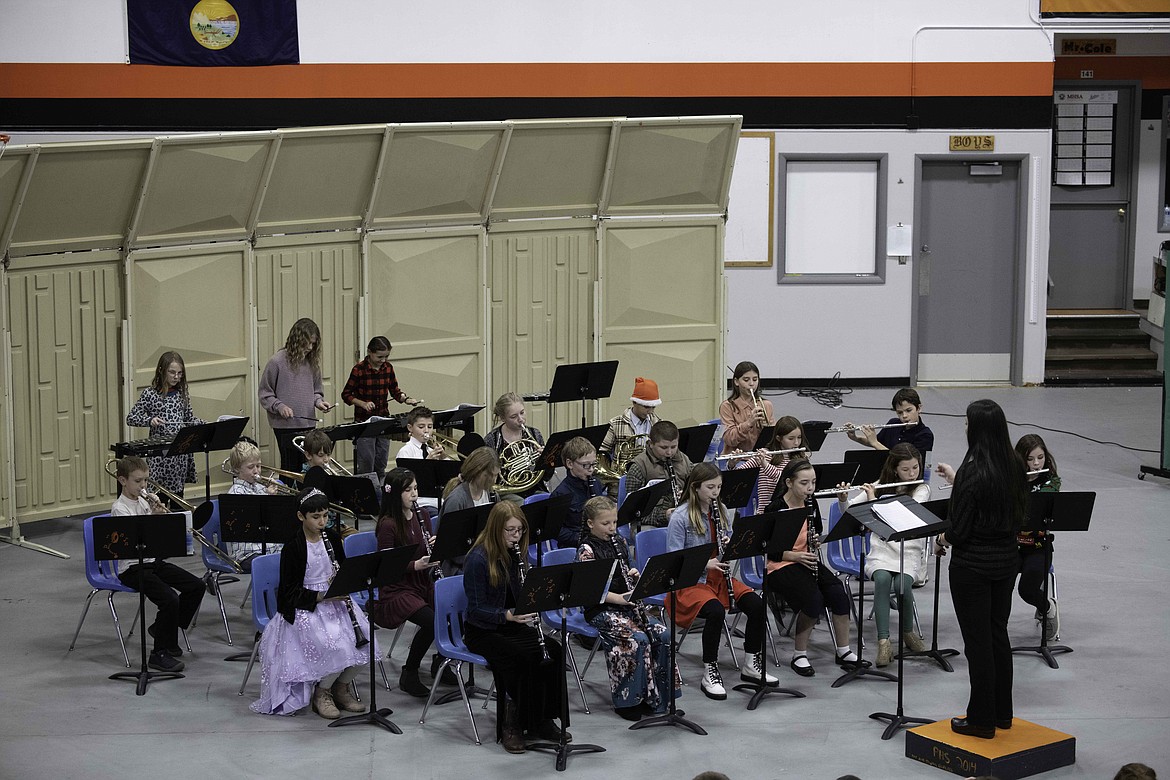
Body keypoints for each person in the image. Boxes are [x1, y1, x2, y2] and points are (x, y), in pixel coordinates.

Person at [934, 399, 1027, 739]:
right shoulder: (1013, 464)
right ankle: (1003, 713)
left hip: (972, 568)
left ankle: (981, 719)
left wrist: (942, 537)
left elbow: (959, 531)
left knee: (978, 645)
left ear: (977, 429)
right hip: (1006, 563)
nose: (964, 427)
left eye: (966, 422)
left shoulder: (973, 471)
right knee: (998, 635)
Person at [251, 487, 373, 720]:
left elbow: (345, 571)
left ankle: (341, 687)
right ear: (301, 517)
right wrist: (322, 596)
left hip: (335, 604)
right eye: (316, 517)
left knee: (366, 644)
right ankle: (322, 692)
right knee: (336, 647)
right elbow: (287, 594)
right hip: (306, 609)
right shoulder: (293, 547)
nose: (322, 522)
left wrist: (341, 583)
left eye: (326, 515)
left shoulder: (334, 539)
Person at [463, 501, 567, 754]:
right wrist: (507, 615)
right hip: (483, 630)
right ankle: (512, 725)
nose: (516, 536)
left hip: (512, 625)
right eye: (510, 530)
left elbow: (522, 595)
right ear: (496, 529)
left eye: (519, 530)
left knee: (553, 651)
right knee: (519, 659)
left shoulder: (515, 555)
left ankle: (542, 719)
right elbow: (476, 608)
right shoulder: (478, 559)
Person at [666, 462, 777, 699]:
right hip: (691, 582)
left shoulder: (722, 509)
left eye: (718, 487)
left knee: (757, 605)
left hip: (719, 577)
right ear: (695, 488)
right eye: (710, 487)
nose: (716, 492)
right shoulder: (680, 517)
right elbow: (674, 560)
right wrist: (705, 563)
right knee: (716, 611)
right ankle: (710, 671)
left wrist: (729, 546)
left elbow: (725, 546)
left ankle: (751, 662)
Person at [577, 496, 677, 720]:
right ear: (591, 523)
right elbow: (590, 592)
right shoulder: (586, 550)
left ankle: (658, 697)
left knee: (663, 634)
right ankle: (628, 702)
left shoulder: (620, 541)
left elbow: (631, 568)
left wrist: (634, 575)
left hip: (626, 604)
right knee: (636, 640)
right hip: (601, 609)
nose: (612, 528)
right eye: (605, 524)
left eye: (614, 522)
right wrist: (621, 599)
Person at [837, 443, 930, 667]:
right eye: (906, 470)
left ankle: (907, 633)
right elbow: (849, 513)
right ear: (895, 469)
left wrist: (874, 500)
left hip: (908, 549)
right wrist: (843, 498)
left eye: (915, 468)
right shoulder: (880, 485)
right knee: (882, 579)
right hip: (881, 549)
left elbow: (903, 515)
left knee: (902, 586)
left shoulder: (921, 489)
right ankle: (884, 642)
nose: (911, 474)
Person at [764, 459, 859, 677]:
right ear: (789, 482)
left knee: (838, 593)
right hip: (779, 566)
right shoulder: (776, 508)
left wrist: (814, 541)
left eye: (813, 483)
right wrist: (795, 556)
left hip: (805, 560)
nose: (810, 488)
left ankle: (843, 650)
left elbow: (816, 529)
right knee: (813, 600)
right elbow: (768, 549)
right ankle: (799, 654)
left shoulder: (810, 502)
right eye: (804, 483)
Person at [110, 456, 205, 674]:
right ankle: (158, 653)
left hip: (152, 562)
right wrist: (153, 519)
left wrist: (162, 520)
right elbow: (132, 544)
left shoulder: (144, 501)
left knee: (196, 586)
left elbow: (158, 544)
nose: (143, 486)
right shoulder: (120, 509)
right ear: (123, 480)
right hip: (132, 568)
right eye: (138, 481)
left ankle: (164, 629)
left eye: (145, 481)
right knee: (170, 599)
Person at [369, 468, 444, 697]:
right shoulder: (388, 524)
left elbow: (426, 552)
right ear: (395, 494)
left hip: (421, 582)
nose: (414, 494)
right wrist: (415, 565)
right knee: (433, 621)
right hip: (396, 588)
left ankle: (440, 662)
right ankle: (409, 672)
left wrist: (435, 547)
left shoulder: (422, 515)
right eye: (408, 490)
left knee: (449, 612)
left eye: (415, 489)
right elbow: (386, 565)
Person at [125, 351, 204, 499]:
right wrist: (150, 420)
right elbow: (131, 418)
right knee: (157, 497)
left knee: (177, 498)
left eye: (180, 373)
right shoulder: (150, 394)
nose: (176, 377)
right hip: (159, 456)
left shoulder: (182, 393)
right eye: (172, 372)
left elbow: (189, 419)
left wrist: (206, 425)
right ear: (162, 370)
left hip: (179, 455)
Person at [258, 318, 333, 476]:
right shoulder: (277, 361)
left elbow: (316, 391)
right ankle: (290, 498)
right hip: (285, 426)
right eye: (307, 343)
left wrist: (319, 402)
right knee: (290, 468)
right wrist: (280, 406)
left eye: (313, 344)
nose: (310, 348)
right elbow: (265, 393)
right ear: (296, 340)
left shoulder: (312, 363)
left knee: (309, 467)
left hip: (307, 423)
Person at [341, 336, 419, 476]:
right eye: (379, 357)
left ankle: (381, 491)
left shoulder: (388, 368)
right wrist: (362, 403)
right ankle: (367, 490)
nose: (383, 360)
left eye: (386, 357)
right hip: (364, 423)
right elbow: (346, 394)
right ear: (369, 352)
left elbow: (395, 390)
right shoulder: (358, 369)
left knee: (381, 461)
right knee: (366, 463)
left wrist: (406, 399)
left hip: (383, 421)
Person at [1014, 433, 1062, 641]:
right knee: (998, 582)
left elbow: (1037, 508)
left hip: (1038, 546)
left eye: (1040, 458)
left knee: (1026, 590)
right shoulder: (1010, 478)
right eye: (1030, 459)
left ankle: (1048, 606)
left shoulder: (1051, 480)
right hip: (1011, 545)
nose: (1036, 464)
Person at [598, 377, 662, 496]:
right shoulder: (616, 423)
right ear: (634, 402)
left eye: (653, 407)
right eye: (646, 407)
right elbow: (602, 452)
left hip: (647, 483)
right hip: (620, 485)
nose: (650, 411)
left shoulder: (657, 424)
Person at [730, 415, 810, 509]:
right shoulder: (766, 455)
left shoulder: (800, 459)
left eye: (799, 437)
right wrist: (732, 464)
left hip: (791, 511)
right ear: (779, 438)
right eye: (791, 438)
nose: (796, 443)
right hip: (765, 511)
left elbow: (786, 482)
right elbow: (739, 476)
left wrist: (766, 466)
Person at [623, 420, 693, 527]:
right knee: (650, 535)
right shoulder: (638, 467)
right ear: (651, 444)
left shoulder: (684, 460)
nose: (669, 452)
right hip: (648, 523)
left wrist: (687, 495)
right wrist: (663, 515)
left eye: (674, 447)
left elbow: (696, 488)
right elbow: (633, 512)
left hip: (681, 516)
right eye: (664, 448)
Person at [224, 439, 280, 566]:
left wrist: (273, 498)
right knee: (280, 562)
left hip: (267, 546)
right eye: (251, 467)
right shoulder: (235, 493)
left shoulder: (260, 487)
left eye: (258, 466)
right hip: (247, 553)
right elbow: (251, 523)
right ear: (237, 469)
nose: (256, 471)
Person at [483, 392, 546, 497]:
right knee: (521, 506)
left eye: (522, 412)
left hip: (533, 488)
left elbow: (546, 476)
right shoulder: (492, 439)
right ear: (503, 419)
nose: (520, 419)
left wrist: (544, 460)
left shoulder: (535, 434)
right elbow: (487, 474)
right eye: (513, 416)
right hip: (506, 492)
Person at [549, 436, 605, 549]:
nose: (591, 469)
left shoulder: (596, 483)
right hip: (574, 547)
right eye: (585, 465)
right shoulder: (560, 494)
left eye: (594, 464)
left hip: (598, 542)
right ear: (570, 464)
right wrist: (581, 538)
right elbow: (555, 531)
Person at [299, 429, 356, 538]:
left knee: (358, 540)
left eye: (328, 454)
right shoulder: (303, 478)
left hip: (337, 523)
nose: (326, 459)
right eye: (321, 455)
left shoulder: (328, 473)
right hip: (318, 527)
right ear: (308, 455)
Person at [846, 387, 934, 456]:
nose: (904, 416)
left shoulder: (925, 435)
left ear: (919, 408)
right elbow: (876, 442)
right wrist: (855, 437)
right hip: (888, 472)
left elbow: (903, 462)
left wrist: (875, 443)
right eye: (899, 412)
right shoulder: (893, 423)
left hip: (908, 476)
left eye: (908, 410)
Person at [395, 406, 450, 517]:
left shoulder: (430, 449)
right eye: (421, 427)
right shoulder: (405, 452)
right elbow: (407, 484)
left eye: (430, 427)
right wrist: (427, 463)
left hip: (439, 500)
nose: (426, 431)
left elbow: (449, 477)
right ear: (410, 428)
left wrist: (444, 457)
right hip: (420, 503)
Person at [719, 360, 773, 453]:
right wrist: (749, 423)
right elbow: (729, 439)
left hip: (762, 455)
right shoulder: (727, 406)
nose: (752, 384)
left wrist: (766, 428)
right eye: (746, 380)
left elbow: (773, 438)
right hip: (737, 457)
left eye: (755, 379)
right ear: (736, 382)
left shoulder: (766, 404)